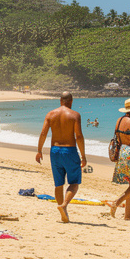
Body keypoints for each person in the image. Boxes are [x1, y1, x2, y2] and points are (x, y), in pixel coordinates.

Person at [35, 91, 87, 222]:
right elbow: (79, 136)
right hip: (69, 150)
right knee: (74, 182)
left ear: (60, 101)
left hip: (55, 151)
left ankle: (62, 213)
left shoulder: (51, 114)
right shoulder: (75, 115)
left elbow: (43, 133)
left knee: (58, 184)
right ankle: (64, 205)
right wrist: (83, 156)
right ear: (71, 101)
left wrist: (39, 150)